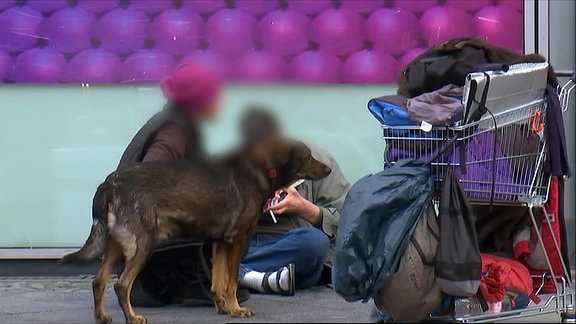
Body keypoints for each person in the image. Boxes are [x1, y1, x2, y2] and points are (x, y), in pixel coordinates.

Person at [114, 63, 249, 306]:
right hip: (151, 254)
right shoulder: (174, 132)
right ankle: (190, 279)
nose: (221, 101)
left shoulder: (178, 125)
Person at [237, 108, 350, 295]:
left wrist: (304, 208)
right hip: (246, 244)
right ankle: (257, 279)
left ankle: (235, 274)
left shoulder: (319, 164)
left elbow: (349, 224)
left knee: (315, 243)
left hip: (291, 246)